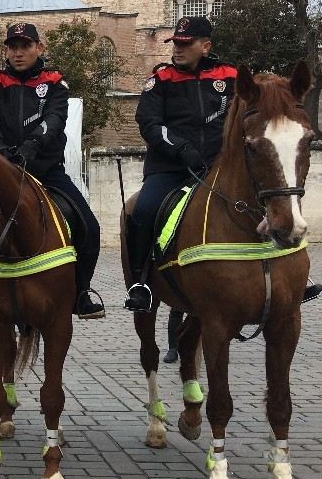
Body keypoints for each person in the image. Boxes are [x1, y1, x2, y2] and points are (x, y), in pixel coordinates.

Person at [128, 17, 321, 310]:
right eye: (175, 43)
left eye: (186, 43)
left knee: (271, 199)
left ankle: (291, 276)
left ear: (205, 46)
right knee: (143, 210)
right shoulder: (160, 80)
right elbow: (149, 123)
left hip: (220, 166)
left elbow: (258, 111)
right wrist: (181, 149)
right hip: (172, 168)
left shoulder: (231, 77)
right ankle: (141, 281)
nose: (178, 49)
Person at [0, 23, 105, 320]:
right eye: (13, 47)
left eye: (25, 46)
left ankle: (81, 292)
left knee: (89, 226)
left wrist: (32, 146)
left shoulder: (55, 83)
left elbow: (55, 119)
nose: (18, 53)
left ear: (39, 48)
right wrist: (1, 150)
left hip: (47, 172)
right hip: (1, 171)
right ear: (6, 50)